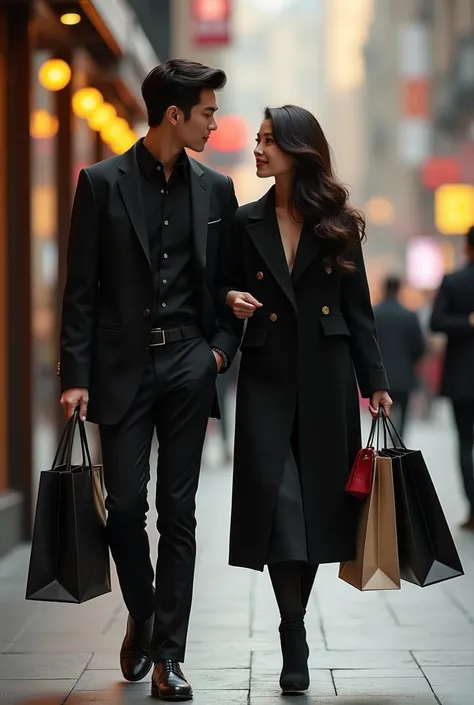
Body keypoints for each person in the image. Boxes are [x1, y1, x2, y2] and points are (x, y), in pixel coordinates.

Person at [58, 59, 241, 701]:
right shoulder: (100, 182)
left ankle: (169, 657)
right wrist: (75, 375)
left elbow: (227, 286)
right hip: (120, 369)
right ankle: (147, 611)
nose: (214, 123)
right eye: (208, 113)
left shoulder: (216, 190)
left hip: (189, 364)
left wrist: (218, 352)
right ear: (175, 115)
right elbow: (82, 290)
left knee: (179, 512)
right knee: (126, 508)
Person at [223, 105, 392, 695]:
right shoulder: (244, 221)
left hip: (326, 379)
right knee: (280, 508)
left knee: (319, 513)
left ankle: (292, 626)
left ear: (299, 149)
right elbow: (222, 286)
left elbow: (359, 312)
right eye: (259, 140)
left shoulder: (337, 223)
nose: (259, 149)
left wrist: (376, 382)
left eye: (270, 141)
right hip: (267, 376)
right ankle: (293, 632)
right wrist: (232, 300)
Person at [430, 224, 474, 531]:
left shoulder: (454, 281)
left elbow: (436, 322)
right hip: (462, 380)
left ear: (467, 247)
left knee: (465, 443)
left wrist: (466, 322)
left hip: (462, 379)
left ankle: (473, 507)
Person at [374, 275, 425, 437]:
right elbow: (420, 347)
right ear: (398, 290)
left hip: (380, 375)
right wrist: (409, 362)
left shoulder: (374, 314)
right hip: (404, 375)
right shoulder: (409, 316)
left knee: (381, 413)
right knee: (402, 415)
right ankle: (399, 443)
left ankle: (384, 447)